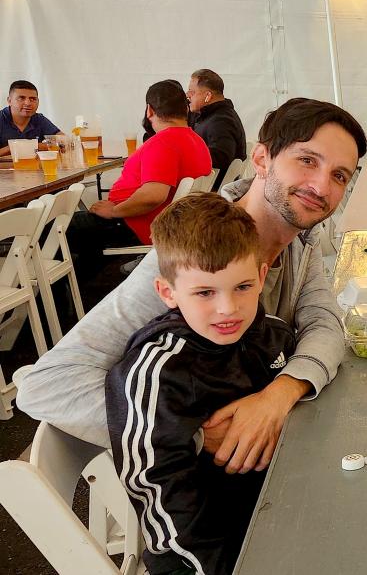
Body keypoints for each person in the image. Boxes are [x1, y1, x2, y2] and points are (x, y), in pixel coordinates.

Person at [18, 97, 367, 477]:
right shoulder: (195, 259)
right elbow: (47, 385)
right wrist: (196, 433)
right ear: (262, 159)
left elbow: (324, 323)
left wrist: (281, 392)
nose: (321, 186)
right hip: (194, 492)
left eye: (339, 175)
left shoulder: (299, 239)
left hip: (264, 463)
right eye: (308, 160)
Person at [107, 193, 293, 575]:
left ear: (261, 277)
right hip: (206, 557)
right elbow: (158, 490)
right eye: (205, 292)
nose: (228, 308)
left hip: (279, 519)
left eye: (242, 287)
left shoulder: (274, 336)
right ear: (167, 293)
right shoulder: (158, 371)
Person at [67, 80, 211, 278]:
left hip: (137, 224)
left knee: (57, 228)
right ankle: (89, 281)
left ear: (149, 110)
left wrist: (114, 211)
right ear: (185, 109)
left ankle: (61, 295)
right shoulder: (197, 140)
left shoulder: (163, 142)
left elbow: (153, 196)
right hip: (167, 223)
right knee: (77, 232)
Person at [188, 68, 247, 186]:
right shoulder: (211, 116)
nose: (188, 96)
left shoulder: (221, 121)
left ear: (208, 96)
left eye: (192, 92)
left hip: (211, 190)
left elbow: (221, 158)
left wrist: (186, 155)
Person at [0, 80, 61, 157]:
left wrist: (19, 147)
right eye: (21, 98)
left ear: (38, 101)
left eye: (32, 99)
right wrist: (11, 148)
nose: (28, 103)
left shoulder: (39, 119)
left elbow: (63, 143)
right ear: (9, 101)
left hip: (33, 164)